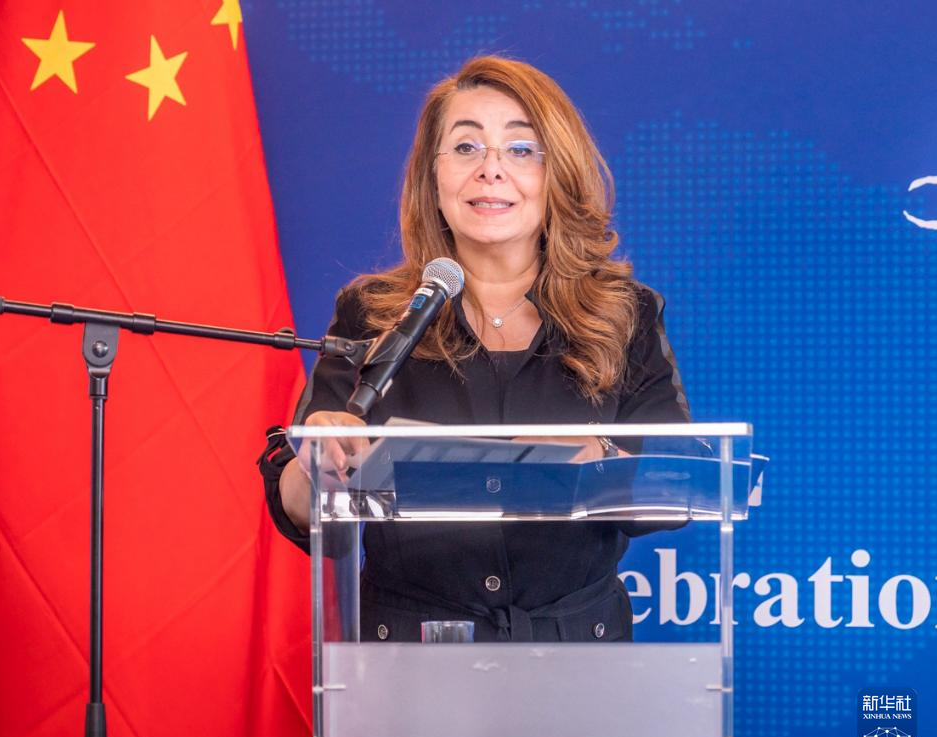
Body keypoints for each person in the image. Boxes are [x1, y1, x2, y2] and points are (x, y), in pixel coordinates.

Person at [259, 55, 691, 642]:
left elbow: (676, 487)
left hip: (577, 657)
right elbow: (298, 506)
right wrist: (318, 464)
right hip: (407, 658)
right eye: (466, 147)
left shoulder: (624, 314)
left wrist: (602, 458)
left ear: (557, 174)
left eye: (521, 149)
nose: (491, 169)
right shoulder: (372, 313)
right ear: (432, 177)